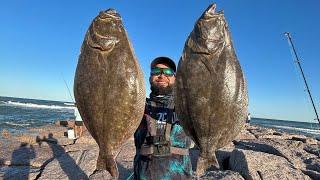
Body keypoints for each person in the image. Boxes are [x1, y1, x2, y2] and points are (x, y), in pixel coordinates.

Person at [133, 57, 192, 180]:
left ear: (175, 78)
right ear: (150, 77)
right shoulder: (136, 106)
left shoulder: (188, 107)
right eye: (156, 71)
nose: (161, 75)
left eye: (168, 72)